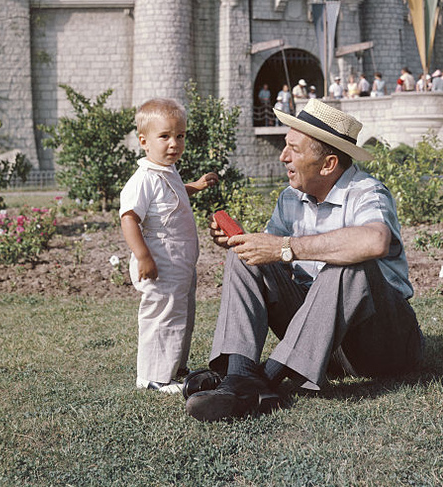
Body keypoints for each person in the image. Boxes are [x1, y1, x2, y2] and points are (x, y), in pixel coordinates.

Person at [184, 98, 423, 422]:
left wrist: (286, 246)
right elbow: (271, 256)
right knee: (244, 259)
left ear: (328, 164)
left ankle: (264, 379)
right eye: (286, 146)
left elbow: (375, 240)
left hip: (381, 344)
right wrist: (249, 244)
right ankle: (239, 374)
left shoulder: (367, 192)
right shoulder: (290, 199)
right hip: (323, 344)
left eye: (294, 149)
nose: (283, 156)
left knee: (352, 264)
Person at [119, 98, 219, 393]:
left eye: (180, 136)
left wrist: (195, 186)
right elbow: (129, 218)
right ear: (144, 141)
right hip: (160, 259)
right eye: (164, 136)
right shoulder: (143, 179)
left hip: (180, 261)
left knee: (181, 313)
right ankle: (153, 377)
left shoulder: (167, 171)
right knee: (161, 314)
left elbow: (172, 193)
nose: (174, 143)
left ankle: (174, 366)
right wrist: (143, 257)